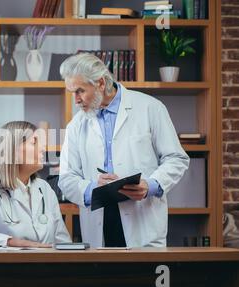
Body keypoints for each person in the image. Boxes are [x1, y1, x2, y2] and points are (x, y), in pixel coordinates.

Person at [58, 53, 190, 248]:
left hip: (142, 218)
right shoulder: (76, 125)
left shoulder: (150, 108)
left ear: (101, 83)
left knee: (142, 276)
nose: (76, 100)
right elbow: (67, 178)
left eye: (80, 91)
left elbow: (176, 158)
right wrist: (92, 187)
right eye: (72, 92)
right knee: (105, 278)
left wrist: (150, 185)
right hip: (99, 221)